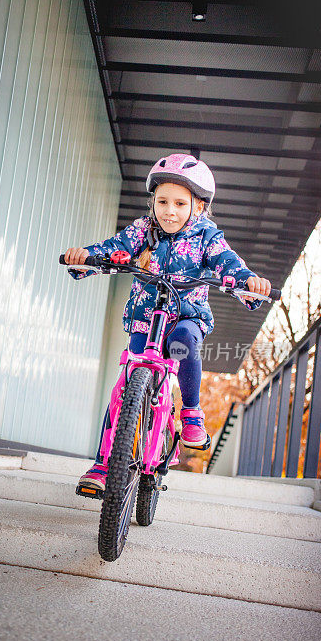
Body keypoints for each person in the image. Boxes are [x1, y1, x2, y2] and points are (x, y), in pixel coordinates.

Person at [63, 153, 272, 491]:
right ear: (153, 202)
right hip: (145, 320)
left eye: (179, 203)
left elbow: (227, 263)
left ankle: (190, 411)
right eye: (162, 201)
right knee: (124, 386)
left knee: (185, 342)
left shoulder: (207, 237)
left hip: (185, 317)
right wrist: (85, 257)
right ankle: (103, 466)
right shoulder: (143, 230)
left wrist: (247, 282)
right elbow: (112, 248)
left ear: (198, 206)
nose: (169, 211)